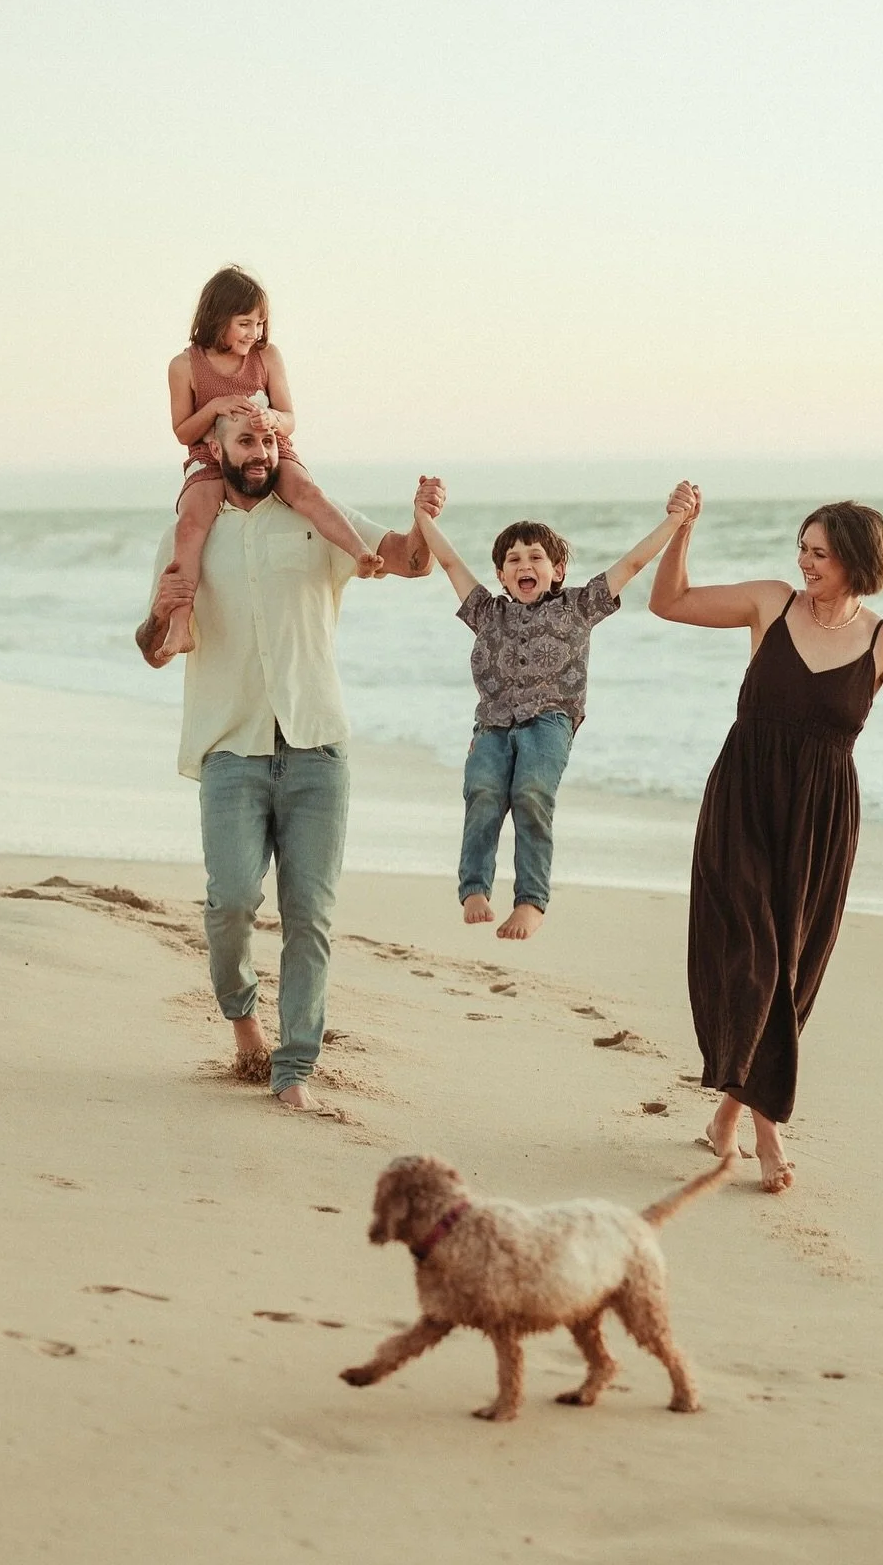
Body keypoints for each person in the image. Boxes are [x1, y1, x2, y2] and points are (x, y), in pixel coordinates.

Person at [649, 491, 883, 1193]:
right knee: (755, 961)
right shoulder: (770, 604)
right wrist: (682, 529)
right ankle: (769, 1132)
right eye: (802, 548)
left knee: (793, 973)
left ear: (856, 559)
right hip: (744, 800)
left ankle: (730, 1113)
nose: (805, 562)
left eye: (820, 553)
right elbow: (669, 602)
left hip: (821, 821)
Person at [136, 408, 444, 1110]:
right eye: (246, 440)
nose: (260, 450)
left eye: (269, 439)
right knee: (230, 902)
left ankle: (295, 1066)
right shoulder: (189, 533)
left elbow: (406, 560)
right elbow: (155, 648)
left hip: (317, 750)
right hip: (229, 749)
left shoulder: (317, 518)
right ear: (216, 448)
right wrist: (159, 615)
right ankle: (243, 1018)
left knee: (309, 916)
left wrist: (422, 520)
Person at [415, 486, 697, 939]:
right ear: (501, 576)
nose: (524, 565)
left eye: (536, 557)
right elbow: (449, 562)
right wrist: (423, 516)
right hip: (491, 725)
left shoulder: (579, 606)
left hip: (550, 722)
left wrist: (676, 519)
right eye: (513, 560)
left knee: (530, 794)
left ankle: (530, 902)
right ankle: (474, 889)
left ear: (558, 570)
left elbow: (632, 564)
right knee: (483, 791)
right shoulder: (487, 612)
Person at [154, 265, 381, 663]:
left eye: (259, 323)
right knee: (190, 525)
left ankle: (359, 552)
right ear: (217, 318)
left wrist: (272, 419)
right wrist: (215, 407)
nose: (253, 333)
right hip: (210, 454)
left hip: (268, 446)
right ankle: (179, 625)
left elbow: (289, 418)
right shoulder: (184, 366)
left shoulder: (267, 357)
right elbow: (183, 432)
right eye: (244, 323)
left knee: (308, 493)